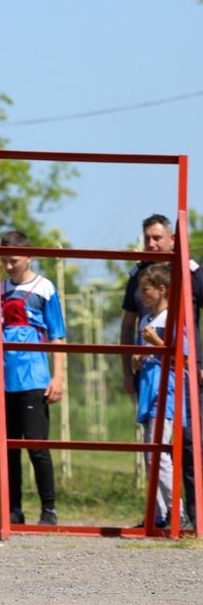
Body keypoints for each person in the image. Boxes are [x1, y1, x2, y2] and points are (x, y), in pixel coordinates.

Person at [120, 214, 203, 524]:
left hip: (179, 381)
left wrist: (198, 365)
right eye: (147, 238)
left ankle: (187, 514)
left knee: (187, 447)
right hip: (150, 384)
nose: (152, 243)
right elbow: (128, 325)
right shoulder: (139, 278)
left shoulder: (192, 274)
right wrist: (130, 367)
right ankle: (160, 514)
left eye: (157, 237)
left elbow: (180, 343)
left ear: (172, 239)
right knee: (152, 450)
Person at [0, 230, 66, 525]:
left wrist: (58, 377)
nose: (9, 266)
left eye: (14, 260)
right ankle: (13, 509)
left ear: (29, 257)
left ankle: (48, 509)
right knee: (9, 447)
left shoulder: (45, 289)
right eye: (5, 261)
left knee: (36, 446)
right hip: (5, 378)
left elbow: (58, 335)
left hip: (35, 378)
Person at [132, 263, 183, 527]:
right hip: (148, 389)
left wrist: (156, 343)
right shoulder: (145, 320)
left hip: (166, 391)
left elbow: (181, 358)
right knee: (149, 454)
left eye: (146, 289)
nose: (141, 295)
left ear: (162, 290)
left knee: (159, 454)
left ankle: (178, 511)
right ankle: (159, 514)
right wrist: (137, 360)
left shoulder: (172, 318)